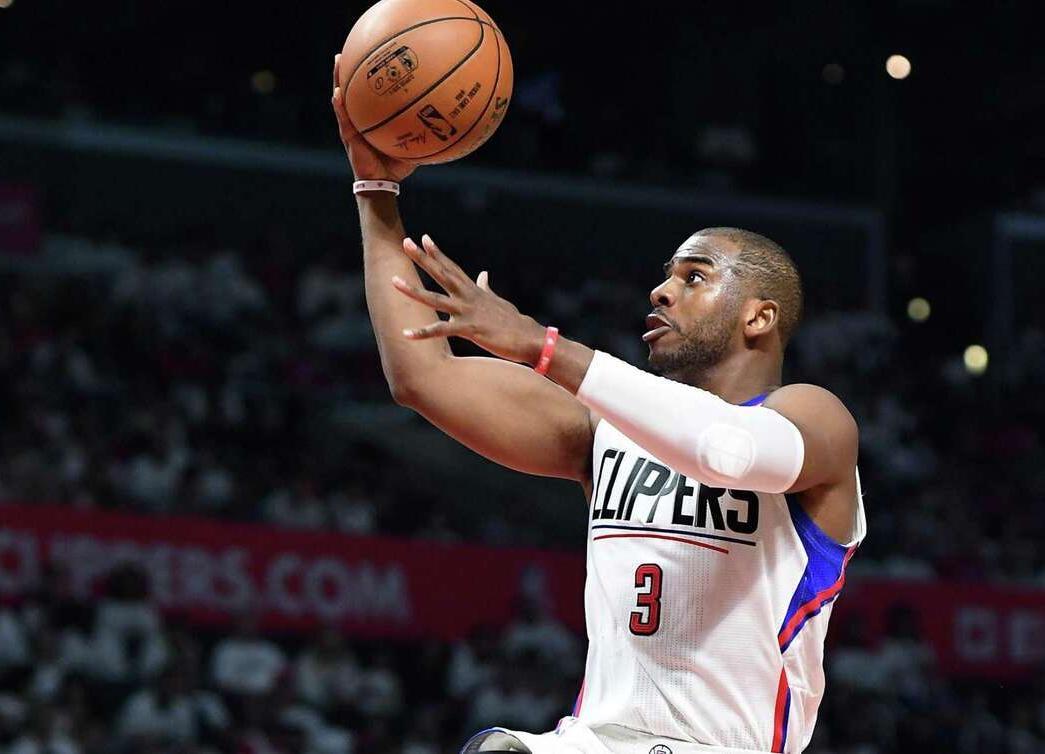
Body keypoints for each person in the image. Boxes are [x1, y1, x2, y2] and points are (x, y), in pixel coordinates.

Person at [331, 55, 867, 754]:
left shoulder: (816, 420)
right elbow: (420, 376)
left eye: (694, 277)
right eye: (665, 276)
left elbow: (723, 449)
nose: (661, 291)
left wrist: (542, 347)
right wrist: (375, 189)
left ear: (759, 318)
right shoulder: (605, 427)